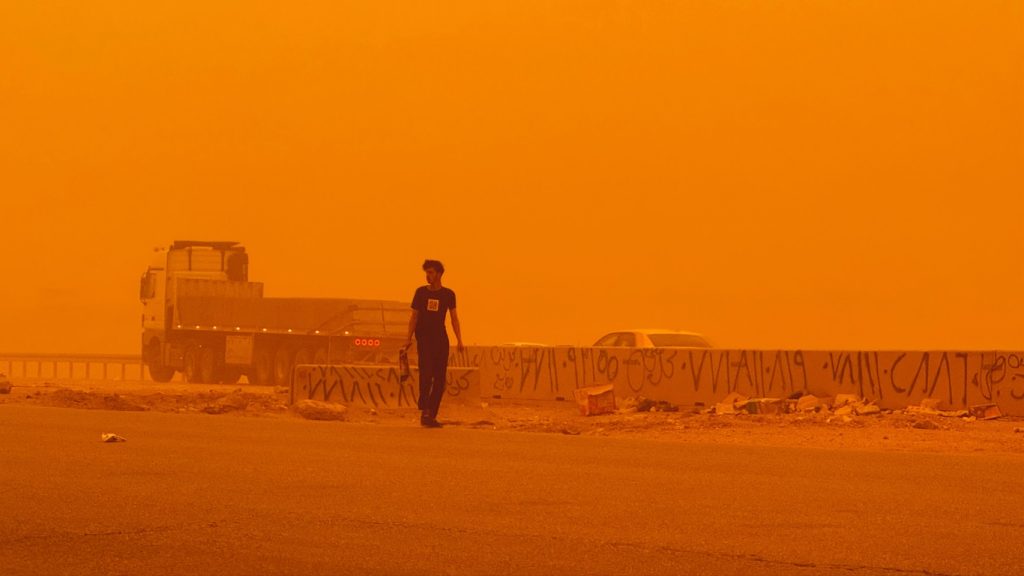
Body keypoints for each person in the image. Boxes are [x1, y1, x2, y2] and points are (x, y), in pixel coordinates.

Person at [405, 259, 464, 428]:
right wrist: (408, 338)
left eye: (430, 273)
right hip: (424, 338)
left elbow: (454, 318)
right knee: (426, 374)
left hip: (440, 339)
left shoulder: (448, 294)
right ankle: (424, 405)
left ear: (439, 274)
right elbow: (414, 317)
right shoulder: (420, 293)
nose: (427, 276)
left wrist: (459, 339)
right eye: (426, 273)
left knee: (439, 379)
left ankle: (430, 414)